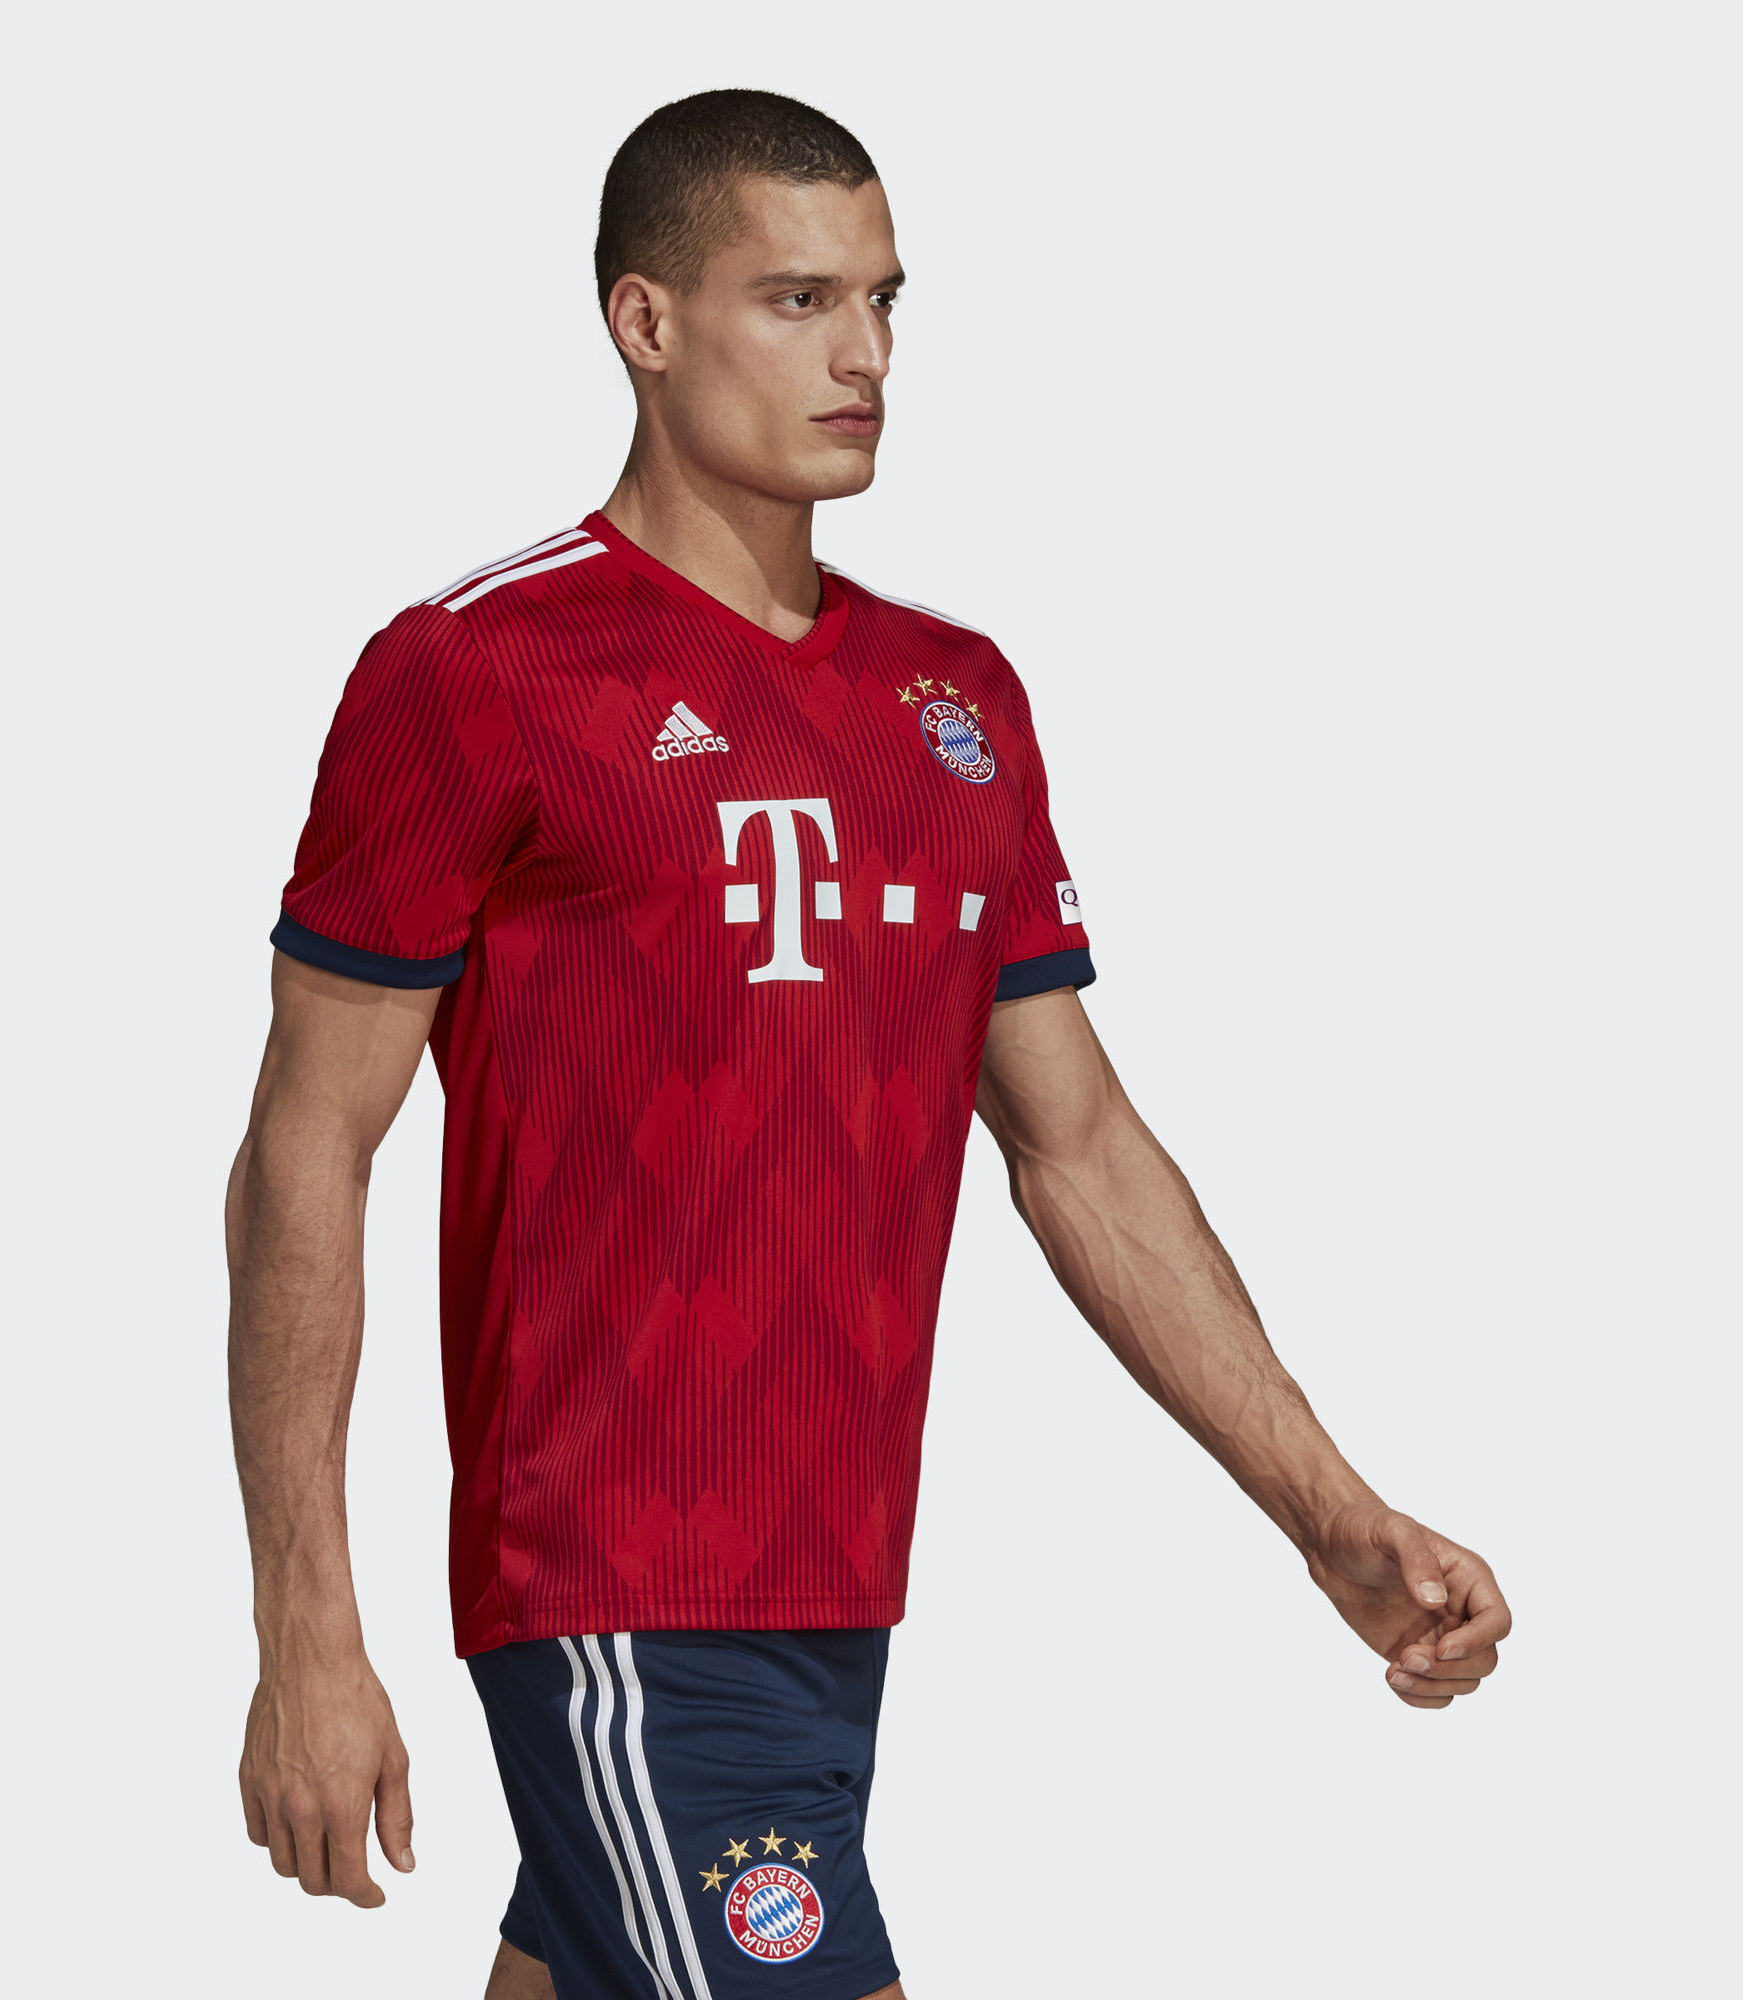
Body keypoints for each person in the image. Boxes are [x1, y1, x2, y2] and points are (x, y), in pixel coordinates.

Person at [226, 89, 1512, 2000]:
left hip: (840, 1588)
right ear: (645, 321)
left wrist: (1331, 1515)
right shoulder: (474, 673)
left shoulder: (954, 700)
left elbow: (1079, 1149)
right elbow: (305, 1149)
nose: (866, 357)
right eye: (799, 299)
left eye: (886, 301)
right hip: (617, 1590)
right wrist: (305, 1630)